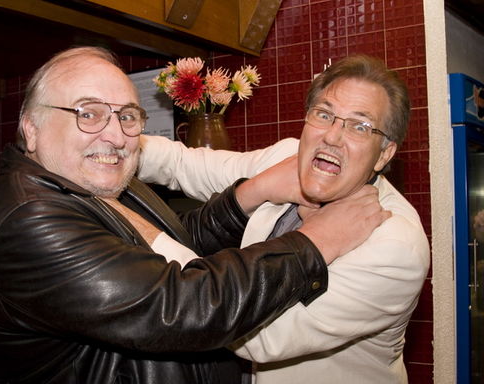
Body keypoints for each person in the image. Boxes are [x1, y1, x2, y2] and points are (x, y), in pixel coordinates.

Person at [0, 47, 389, 384]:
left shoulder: (102, 186)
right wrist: (317, 242)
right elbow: (180, 305)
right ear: (31, 128)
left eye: (127, 116)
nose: (114, 135)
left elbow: (176, 245)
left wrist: (254, 192)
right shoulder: (27, 218)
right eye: (88, 113)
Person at [138, 55, 431, 383]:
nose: (332, 136)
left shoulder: (394, 245)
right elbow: (184, 164)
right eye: (324, 114)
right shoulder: (286, 159)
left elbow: (262, 338)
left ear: (385, 153)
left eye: (359, 126)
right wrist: (110, 142)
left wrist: (142, 234)